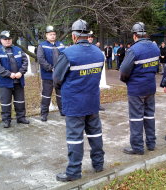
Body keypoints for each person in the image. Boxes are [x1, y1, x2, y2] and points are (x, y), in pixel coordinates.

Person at [53, 19, 105, 182]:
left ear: (74, 37)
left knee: (75, 138)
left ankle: (74, 171)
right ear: (87, 35)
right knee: (95, 134)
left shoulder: (68, 54)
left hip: (75, 104)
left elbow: (56, 78)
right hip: (92, 101)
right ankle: (98, 164)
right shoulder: (98, 53)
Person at [120, 22, 160, 155]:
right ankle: (151, 143)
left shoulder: (133, 50)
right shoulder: (155, 47)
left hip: (136, 89)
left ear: (135, 35)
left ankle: (137, 147)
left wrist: (126, 81)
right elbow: (156, 67)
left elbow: (124, 70)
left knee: (136, 118)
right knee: (150, 116)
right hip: (150, 87)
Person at [0, 31, 30, 128]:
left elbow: (25, 61)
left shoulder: (18, 49)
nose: (8, 41)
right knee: (5, 102)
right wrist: (9, 74)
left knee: (20, 101)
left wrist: (21, 72)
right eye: (5, 39)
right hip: (5, 82)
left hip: (18, 80)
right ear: (1, 40)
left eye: (9, 39)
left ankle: (21, 117)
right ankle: (6, 120)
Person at [37, 26, 65, 121]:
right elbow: (41, 59)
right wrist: (51, 68)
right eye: (50, 34)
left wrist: (61, 68)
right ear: (46, 35)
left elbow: (65, 57)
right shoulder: (42, 45)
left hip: (59, 75)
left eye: (54, 34)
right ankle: (44, 114)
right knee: (46, 96)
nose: (53, 36)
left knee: (61, 94)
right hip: (48, 75)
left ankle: (63, 111)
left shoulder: (60, 44)